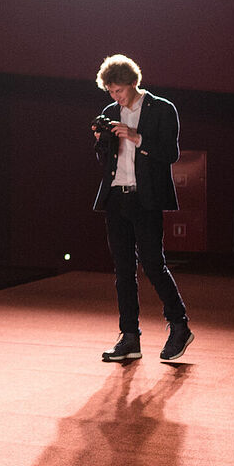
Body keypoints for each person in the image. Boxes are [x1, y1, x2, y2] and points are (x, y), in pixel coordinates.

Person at [91, 54, 193, 363]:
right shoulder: (111, 113)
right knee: (123, 269)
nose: (115, 97)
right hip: (116, 197)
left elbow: (171, 154)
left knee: (152, 263)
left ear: (133, 82)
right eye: (111, 91)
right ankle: (129, 337)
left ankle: (179, 325)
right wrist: (101, 140)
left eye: (119, 90)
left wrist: (137, 137)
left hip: (145, 198)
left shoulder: (162, 108)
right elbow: (105, 160)